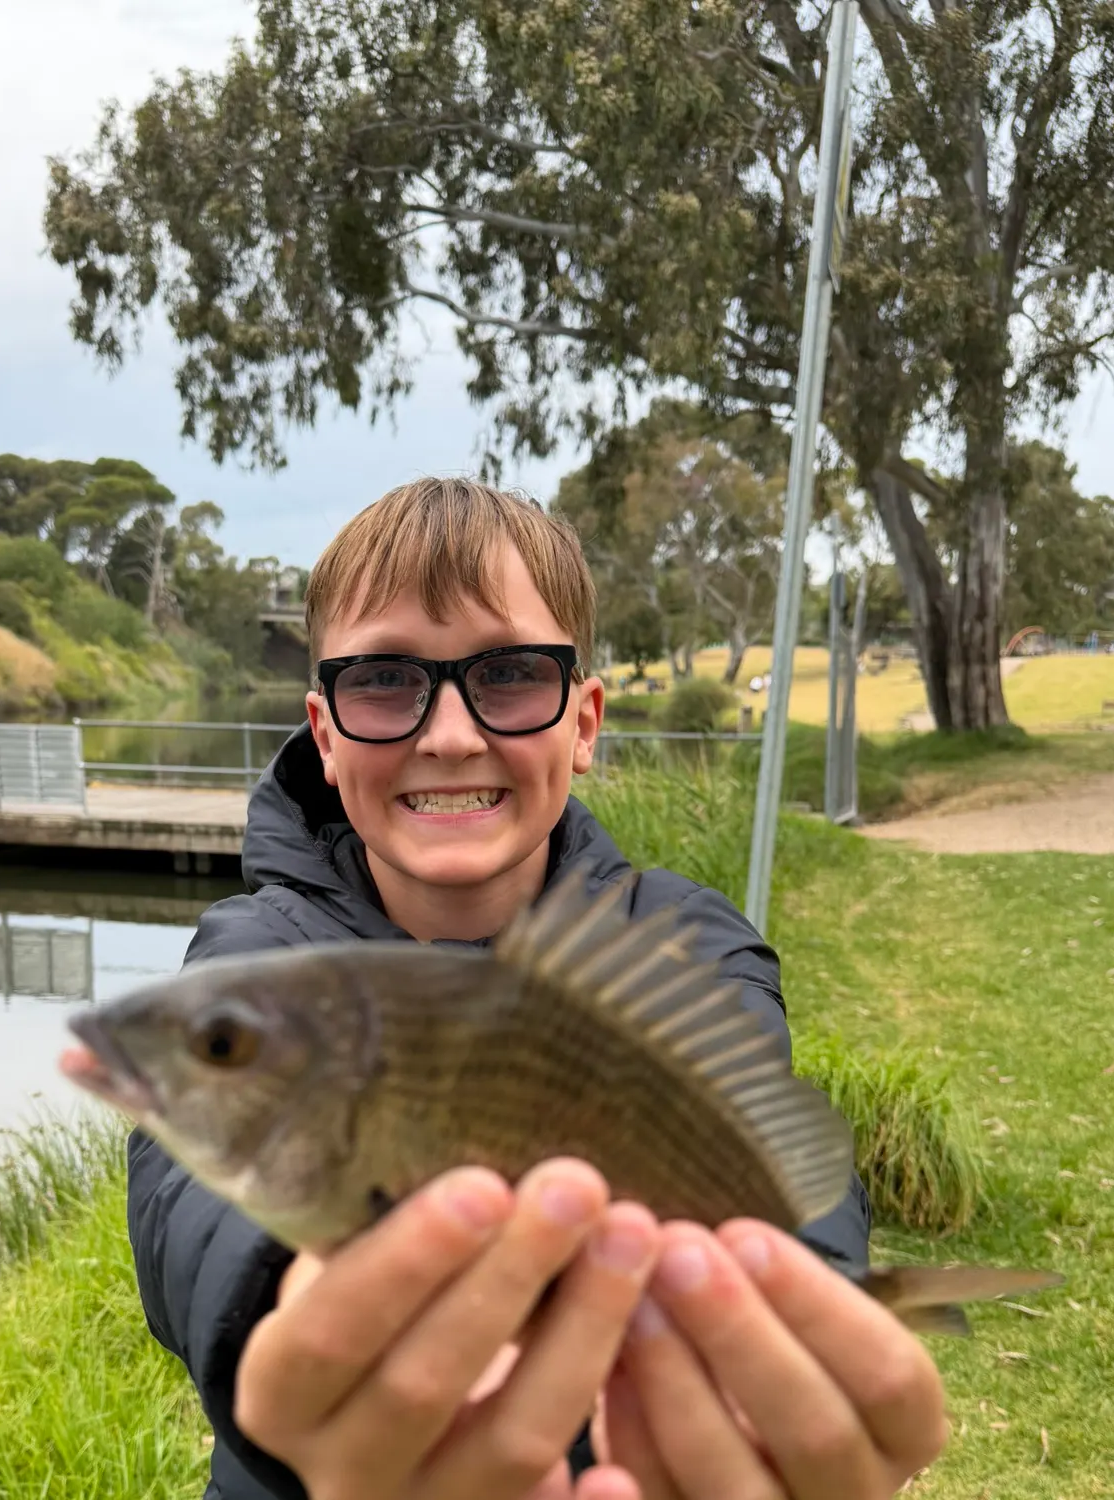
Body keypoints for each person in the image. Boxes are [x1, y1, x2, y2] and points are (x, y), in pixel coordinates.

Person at [125, 479, 948, 1500]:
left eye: (510, 675)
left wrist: (796, 1339)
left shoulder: (688, 943)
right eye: (384, 680)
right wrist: (296, 1322)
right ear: (325, 733)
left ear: (586, 722)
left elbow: (770, 1167)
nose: (452, 734)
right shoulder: (258, 966)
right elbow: (188, 1208)